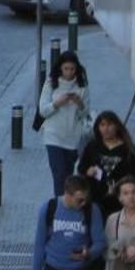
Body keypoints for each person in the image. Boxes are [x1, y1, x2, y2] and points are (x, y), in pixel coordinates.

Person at [39, 50, 91, 195]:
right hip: (53, 136)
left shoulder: (82, 86)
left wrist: (79, 103)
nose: (69, 72)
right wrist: (57, 103)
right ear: (60, 68)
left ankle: (67, 203)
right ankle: (59, 204)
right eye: (66, 69)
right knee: (59, 175)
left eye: (72, 69)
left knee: (68, 176)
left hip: (72, 137)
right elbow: (43, 110)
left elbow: (85, 113)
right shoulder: (51, 83)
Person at [78, 110, 135, 221]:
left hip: (119, 201)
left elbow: (133, 176)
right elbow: (81, 168)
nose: (106, 129)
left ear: (116, 126)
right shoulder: (92, 146)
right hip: (95, 199)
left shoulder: (127, 149)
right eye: (102, 125)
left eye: (109, 125)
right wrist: (88, 171)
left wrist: (121, 188)